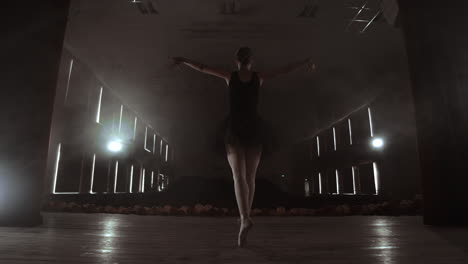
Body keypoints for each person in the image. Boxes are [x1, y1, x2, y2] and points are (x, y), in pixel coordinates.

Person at [173, 47, 315, 247]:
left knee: (238, 177)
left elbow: (203, 68)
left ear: (236, 61)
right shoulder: (259, 77)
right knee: (250, 177)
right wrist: (304, 62)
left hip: (235, 131)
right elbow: (284, 69)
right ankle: (245, 218)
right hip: (254, 130)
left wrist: (184, 59)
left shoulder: (230, 77)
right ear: (252, 61)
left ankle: (244, 217)